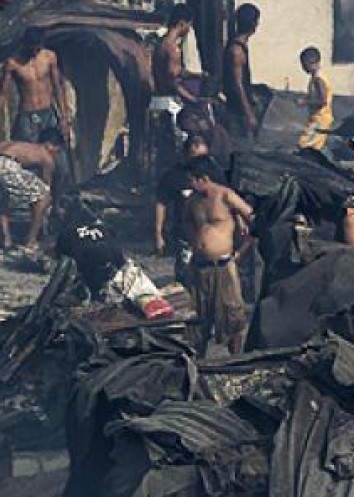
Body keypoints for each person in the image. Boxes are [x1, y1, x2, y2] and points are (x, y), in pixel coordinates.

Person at [54, 195, 174, 319]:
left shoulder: (65, 234)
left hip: (86, 272)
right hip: (108, 265)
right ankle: (149, 300)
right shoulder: (103, 228)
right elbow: (119, 256)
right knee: (129, 276)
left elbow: (62, 264)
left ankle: (90, 295)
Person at [182, 156, 254, 355]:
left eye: (192, 180)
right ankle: (198, 362)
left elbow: (253, 218)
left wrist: (241, 251)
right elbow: (186, 222)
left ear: (203, 178)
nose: (190, 184)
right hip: (199, 266)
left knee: (232, 317)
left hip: (224, 266)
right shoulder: (192, 201)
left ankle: (236, 360)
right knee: (197, 317)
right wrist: (196, 242)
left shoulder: (225, 195)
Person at [0, 127, 65, 251]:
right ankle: (31, 241)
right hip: (6, 166)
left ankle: (6, 240)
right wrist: (47, 210)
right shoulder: (46, 155)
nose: (56, 154)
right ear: (50, 145)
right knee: (44, 196)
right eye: (57, 150)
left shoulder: (18, 144)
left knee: (2, 198)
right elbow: (46, 186)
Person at [0, 28, 71, 146]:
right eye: (32, 48)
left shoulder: (49, 57)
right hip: (27, 114)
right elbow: (1, 94)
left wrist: (63, 116)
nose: (34, 52)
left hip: (47, 113)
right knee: (26, 152)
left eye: (38, 49)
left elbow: (57, 86)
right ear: (26, 45)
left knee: (55, 152)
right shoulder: (13, 63)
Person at [152, 133, 222, 264]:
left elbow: (228, 199)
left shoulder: (214, 172)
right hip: (185, 235)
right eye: (196, 159)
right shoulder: (173, 176)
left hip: (213, 233)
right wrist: (158, 234)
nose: (200, 164)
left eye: (204, 158)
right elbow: (161, 203)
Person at [222, 3, 261, 140]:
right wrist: (248, 112)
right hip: (237, 110)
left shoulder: (240, 46)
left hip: (240, 107)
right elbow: (238, 84)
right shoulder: (237, 50)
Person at [153, 3, 201, 105]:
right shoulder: (173, 49)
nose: (188, 29)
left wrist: (197, 75)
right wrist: (194, 99)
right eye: (189, 25)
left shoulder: (160, 43)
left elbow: (175, 71)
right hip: (171, 103)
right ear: (182, 24)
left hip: (158, 99)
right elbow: (172, 82)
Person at [297, 46, 333, 152]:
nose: (303, 68)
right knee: (313, 147)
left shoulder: (318, 79)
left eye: (304, 65)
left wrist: (305, 102)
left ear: (311, 62)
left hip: (320, 120)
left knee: (304, 146)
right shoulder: (315, 78)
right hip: (317, 118)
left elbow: (322, 101)